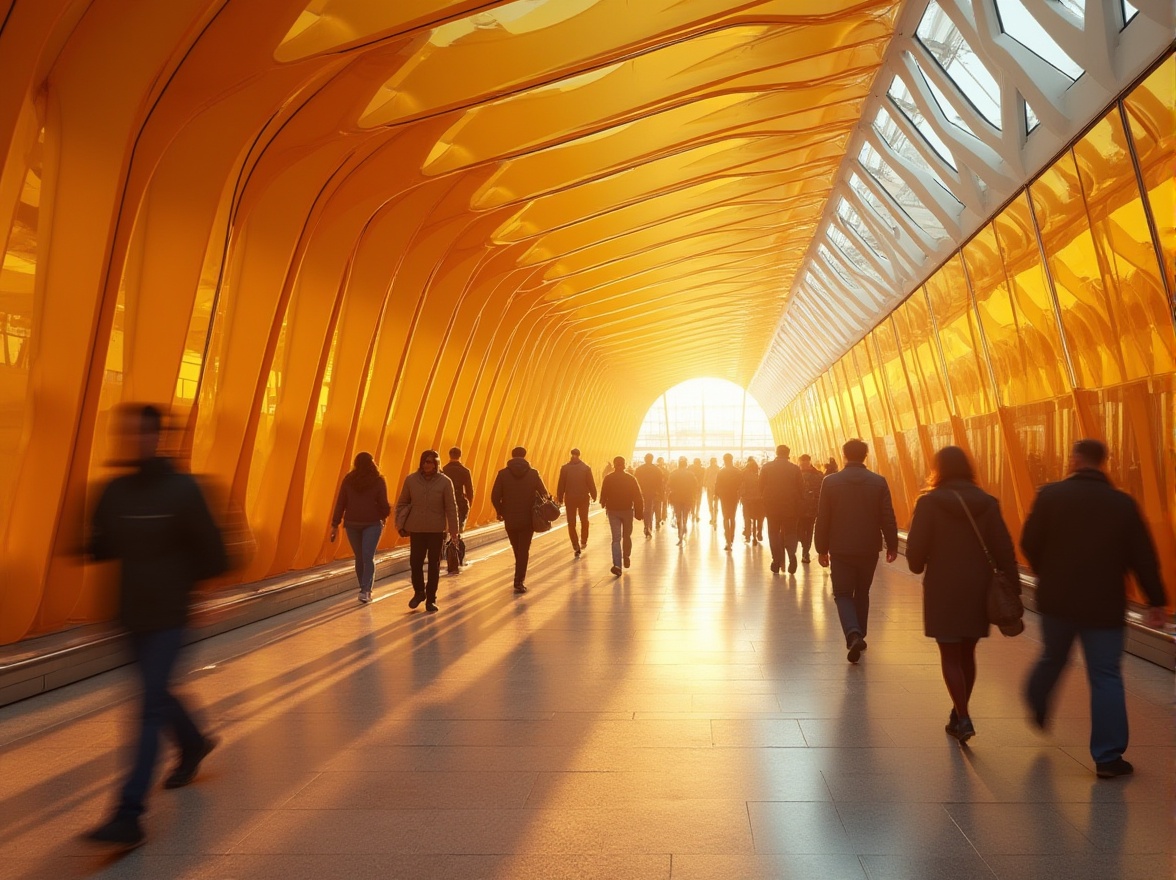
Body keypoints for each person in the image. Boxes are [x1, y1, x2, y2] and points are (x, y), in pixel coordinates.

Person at [85, 404, 228, 849]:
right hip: (130, 615)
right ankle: (194, 742)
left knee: (147, 706)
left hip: (170, 615)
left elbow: (218, 555)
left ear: (157, 437)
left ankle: (129, 814)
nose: (132, 441)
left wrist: (195, 588)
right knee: (157, 694)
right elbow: (96, 546)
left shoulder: (184, 490)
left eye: (141, 433)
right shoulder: (114, 490)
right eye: (125, 433)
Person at [1021, 439, 1167, 778]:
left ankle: (1037, 699)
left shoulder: (1050, 496)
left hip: (1057, 600)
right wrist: (1156, 601)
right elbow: (1143, 556)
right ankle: (1107, 757)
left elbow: (1029, 542)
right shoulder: (1122, 504)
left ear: (1075, 459)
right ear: (1104, 463)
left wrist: (1049, 571)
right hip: (1105, 603)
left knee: (1053, 657)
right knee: (1105, 676)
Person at [905, 446, 1019, 743]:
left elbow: (915, 556)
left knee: (950, 654)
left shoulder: (928, 503)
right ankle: (958, 713)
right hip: (978, 587)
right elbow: (1004, 549)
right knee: (968, 653)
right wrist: (1014, 592)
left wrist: (921, 561)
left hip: (943, 586)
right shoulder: (988, 503)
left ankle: (964, 716)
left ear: (938, 468)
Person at [814, 438, 899, 663]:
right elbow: (887, 517)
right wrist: (892, 545)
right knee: (862, 592)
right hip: (868, 548)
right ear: (865, 456)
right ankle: (859, 634)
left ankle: (853, 633)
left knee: (842, 594)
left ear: (844, 455)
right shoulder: (878, 482)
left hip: (840, 548)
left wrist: (821, 548)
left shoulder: (830, 482)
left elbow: (823, 518)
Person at [395, 450, 460, 612]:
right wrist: (401, 523)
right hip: (416, 529)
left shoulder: (445, 482)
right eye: (425, 461)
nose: (427, 465)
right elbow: (402, 502)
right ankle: (419, 592)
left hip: (436, 531)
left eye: (430, 462)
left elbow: (451, 508)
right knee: (415, 563)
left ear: (436, 464)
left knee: (434, 565)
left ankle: (431, 598)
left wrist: (454, 531)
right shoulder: (411, 480)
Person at [331, 452, 392, 603]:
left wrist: (335, 524)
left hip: (352, 523)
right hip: (372, 523)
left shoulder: (348, 480)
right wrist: (382, 516)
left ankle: (364, 588)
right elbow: (384, 503)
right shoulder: (378, 480)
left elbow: (341, 503)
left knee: (360, 556)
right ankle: (365, 590)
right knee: (367, 556)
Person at [490, 446, 549, 594]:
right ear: (525, 455)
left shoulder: (502, 474)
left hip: (510, 518)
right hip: (528, 519)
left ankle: (518, 574)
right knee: (524, 550)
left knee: (517, 549)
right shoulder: (533, 474)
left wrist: (501, 511)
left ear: (512, 456)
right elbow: (544, 493)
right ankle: (519, 581)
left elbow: (495, 496)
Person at [760, 444, 802, 573]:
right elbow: (801, 488)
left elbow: (760, 486)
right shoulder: (795, 469)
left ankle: (776, 560)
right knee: (790, 533)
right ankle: (791, 555)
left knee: (773, 533)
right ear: (788, 453)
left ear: (776, 453)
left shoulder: (766, 467)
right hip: (790, 507)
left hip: (772, 507)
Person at [600, 455, 645, 575]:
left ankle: (617, 565)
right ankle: (626, 555)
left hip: (613, 511)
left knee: (616, 539)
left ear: (614, 465)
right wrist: (639, 512)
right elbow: (638, 496)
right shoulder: (631, 478)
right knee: (627, 536)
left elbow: (603, 494)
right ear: (624, 465)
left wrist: (603, 503)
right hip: (627, 511)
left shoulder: (608, 478)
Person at [556, 447, 597, 558]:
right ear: (579, 455)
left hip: (570, 498)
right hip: (583, 498)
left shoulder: (564, 468)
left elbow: (561, 484)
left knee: (571, 523)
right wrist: (594, 495)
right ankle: (584, 539)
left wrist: (560, 497)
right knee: (584, 520)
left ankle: (575, 545)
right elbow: (591, 483)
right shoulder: (586, 468)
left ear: (571, 454)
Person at [796, 454, 824, 564]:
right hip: (811, 508)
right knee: (807, 530)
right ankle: (805, 550)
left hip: (801, 508)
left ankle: (805, 550)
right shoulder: (818, 475)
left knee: (803, 530)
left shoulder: (796, 475)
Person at [667, 456, 699, 545]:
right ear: (686, 465)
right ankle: (684, 525)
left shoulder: (673, 473)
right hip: (688, 497)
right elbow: (695, 485)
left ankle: (679, 535)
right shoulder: (690, 474)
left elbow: (669, 485)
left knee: (678, 515)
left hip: (676, 498)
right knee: (685, 514)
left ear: (678, 465)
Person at [441, 447, 474, 532]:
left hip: (446, 500)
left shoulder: (444, 470)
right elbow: (469, 490)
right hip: (459, 500)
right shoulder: (465, 471)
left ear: (449, 455)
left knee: (446, 523)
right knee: (459, 524)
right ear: (460, 456)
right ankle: (456, 538)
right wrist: (469, 502)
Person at [715, 453, 743, 551]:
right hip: (734, 496)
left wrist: (717, 494)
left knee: (726, 517)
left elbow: (717, 485)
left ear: (724, 460)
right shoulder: (737, 471)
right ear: (732, 459)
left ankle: (728, 541)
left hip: (724, 496)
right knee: (732, 517)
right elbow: (741, 484)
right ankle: (732, 537)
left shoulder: (721, 472)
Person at [634, 454, 665, 538]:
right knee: (649, 509)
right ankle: (648, 527)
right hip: (653, 493)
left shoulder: (639, 469)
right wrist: (661, 494)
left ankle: (646, 526)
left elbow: (635, 482)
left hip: (642, 493)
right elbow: (660, 483)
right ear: (652, 459)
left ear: (645, 459)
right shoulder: (657, 470)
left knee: (645, 510)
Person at [740, 457, 764, 544]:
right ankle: (759, 532)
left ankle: (747, 534)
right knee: (760, 517)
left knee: (747, 516)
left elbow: (741, 487)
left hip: (747, 499)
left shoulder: (744, 473)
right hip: (759, 500)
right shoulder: (760, 474)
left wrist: (742, 496)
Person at [704, 456, 721, 525]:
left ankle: (712, 517)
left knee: (710, 503)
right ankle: (715, 518)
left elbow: (705, 479)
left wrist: (705, 485)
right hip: (716, 488)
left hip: (710, 488)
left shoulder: (708, 469)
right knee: (716, 503)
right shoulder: (718, 469)